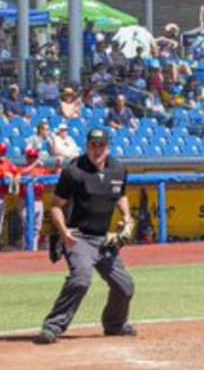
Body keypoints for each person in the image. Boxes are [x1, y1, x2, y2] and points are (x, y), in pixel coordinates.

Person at [34, 127, 137, 345]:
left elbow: (121, 195)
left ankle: (115, 324)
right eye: (93, 145)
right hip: (79, 236)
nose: (96, 150)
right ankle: (53, 327)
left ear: (108, 147)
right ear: (86, 146)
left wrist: (127, 218)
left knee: (125, 286)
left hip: (104, 240)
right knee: (81, 279)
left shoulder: (118, 169)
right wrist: (64, 233)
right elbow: (56, 206)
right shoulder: (73, 171)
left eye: (101, 145)